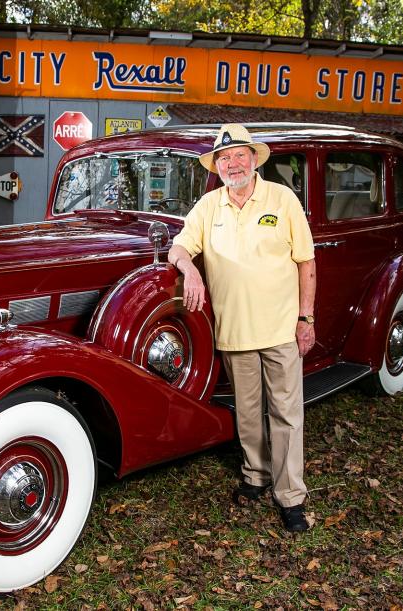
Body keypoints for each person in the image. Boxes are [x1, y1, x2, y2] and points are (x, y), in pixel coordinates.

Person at [168, 124, 316, 532]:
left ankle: (291, 497)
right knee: (248, 413)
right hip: (234, 331)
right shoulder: (209, 205)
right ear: (217, 166)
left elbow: (307, 263)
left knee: (286, 414)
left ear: (254, 160)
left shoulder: (282, 199)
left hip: (282, 328)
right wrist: (189, 271)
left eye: (239, 155)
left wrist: (306, 318)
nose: (232, 163)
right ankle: (256, 475)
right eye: (224, 158)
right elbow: (179, 246)